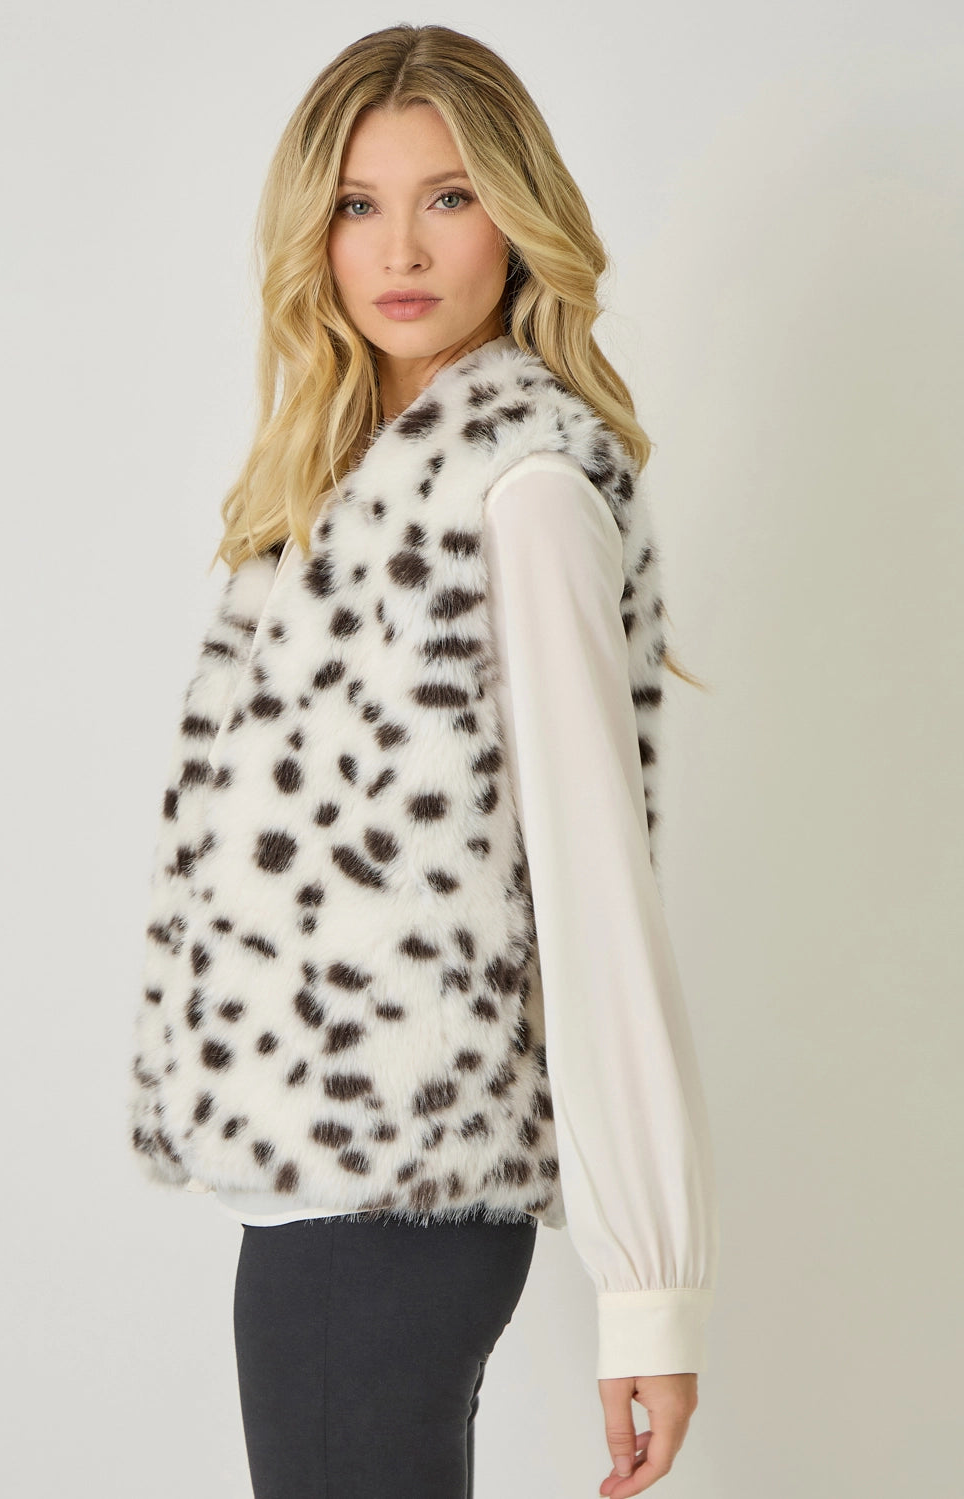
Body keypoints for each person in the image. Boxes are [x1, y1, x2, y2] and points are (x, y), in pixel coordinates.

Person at [126, 22, 719, 1499]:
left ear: (516, 219)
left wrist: (649, 1285)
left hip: (395, 1208)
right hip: (321, 1205)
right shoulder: (340, 494)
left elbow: (596, 898)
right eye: (357, 203)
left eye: (449, 197)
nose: (400, 249)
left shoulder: (522, 492)